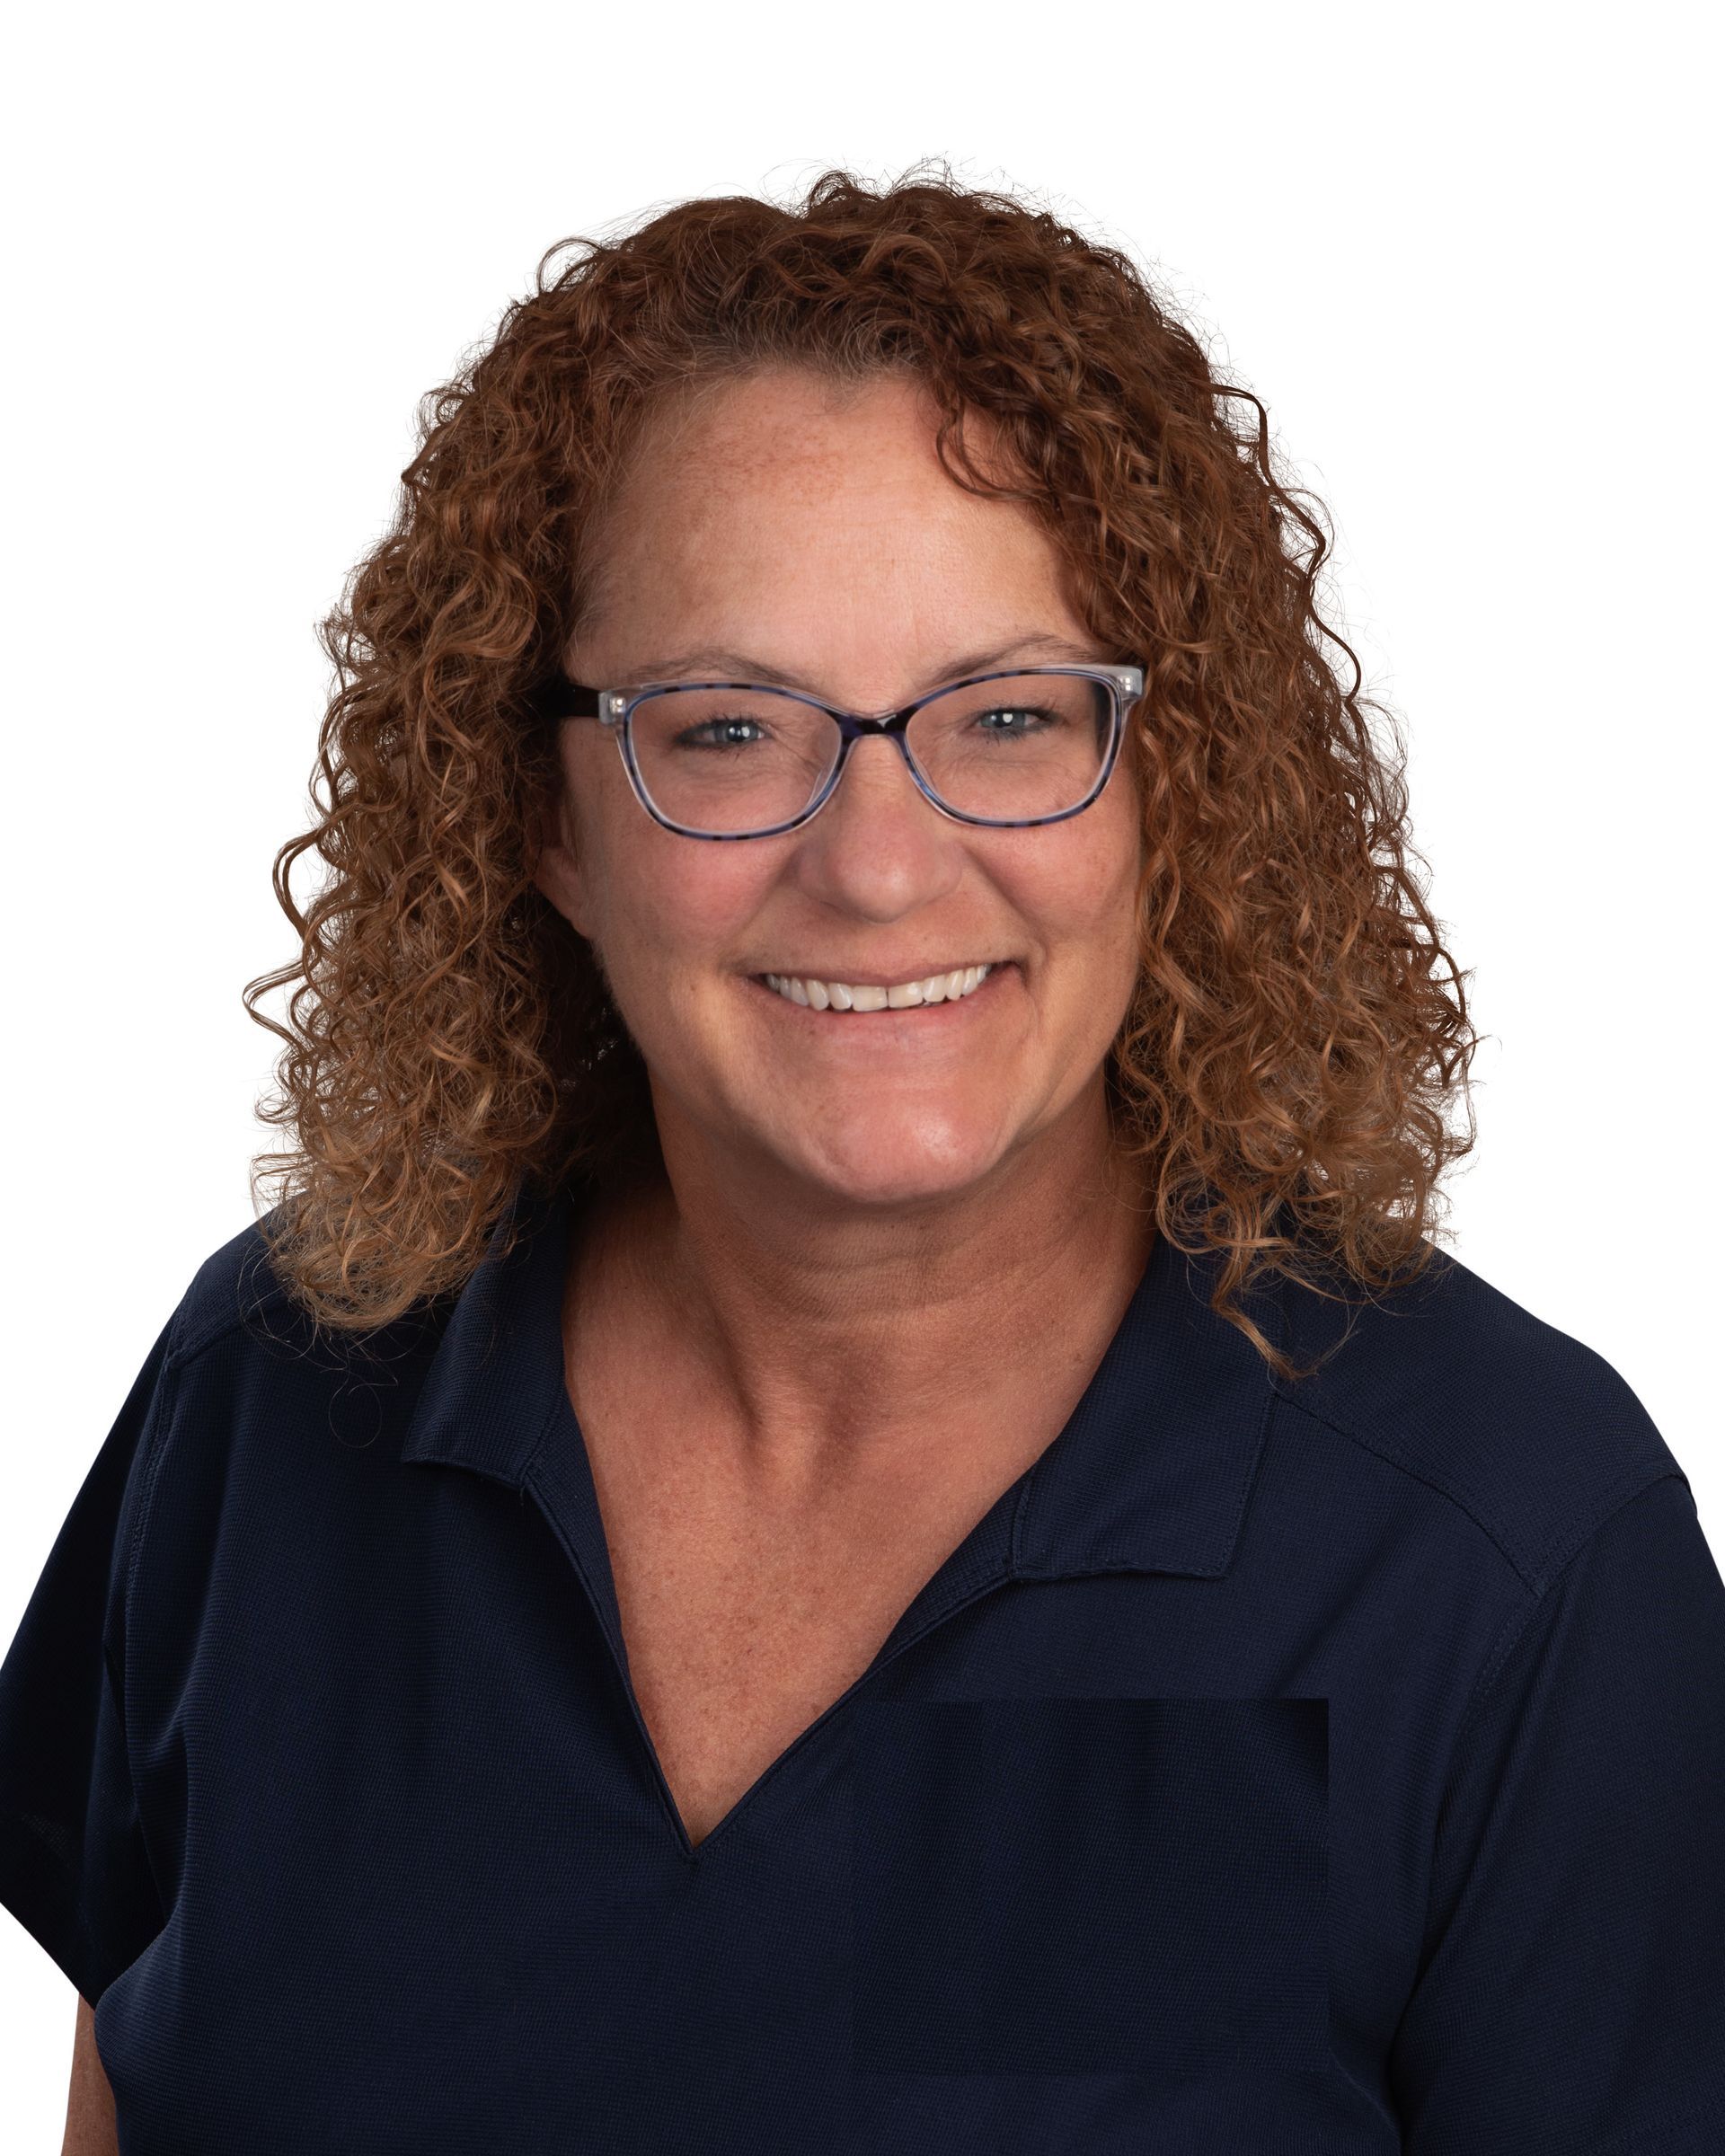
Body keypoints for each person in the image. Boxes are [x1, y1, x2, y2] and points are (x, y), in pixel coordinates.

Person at [3, 167, 1722, 2156]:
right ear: (541, 815)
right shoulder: (280, 1392)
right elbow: (137, 2082)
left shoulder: (1501, 1556)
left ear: (1174, 786)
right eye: (728, 731)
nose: (882, 863)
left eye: (1008, 715)